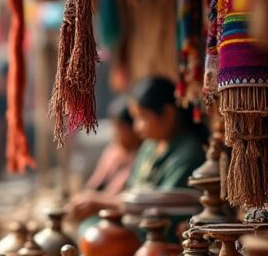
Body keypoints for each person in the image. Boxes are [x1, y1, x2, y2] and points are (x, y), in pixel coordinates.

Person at [69, 76, 208, 217]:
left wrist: (104, 202)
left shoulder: (188, 153)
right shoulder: (149, 146)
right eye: (135, 118)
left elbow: (164, 204)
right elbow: (132, 188)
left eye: (142, 117)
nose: (136, 127)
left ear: (168, 114)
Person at [69, 95, 143, 220]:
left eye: (120, 128)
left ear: (133, 129)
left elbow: (118, 195)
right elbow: (95, 182)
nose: (115, 134)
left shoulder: (141, 156)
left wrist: (97, 200)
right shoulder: (114, 150)